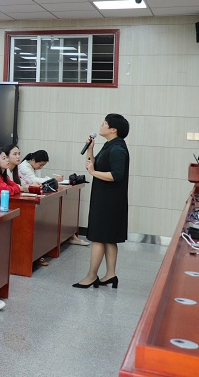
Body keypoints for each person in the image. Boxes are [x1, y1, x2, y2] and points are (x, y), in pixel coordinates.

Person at [73, 114, 130, 290]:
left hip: (109, 201)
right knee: (109, 239)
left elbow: (116, 175)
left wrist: (92, 173)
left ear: (113, 129)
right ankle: (111, 275)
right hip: (106, 198)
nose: (101, 125)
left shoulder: (118, 149)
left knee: (98, 237)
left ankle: (91, 276)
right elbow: (95, 165)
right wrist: (90, 149)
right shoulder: (110, 146)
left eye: (104, 123)